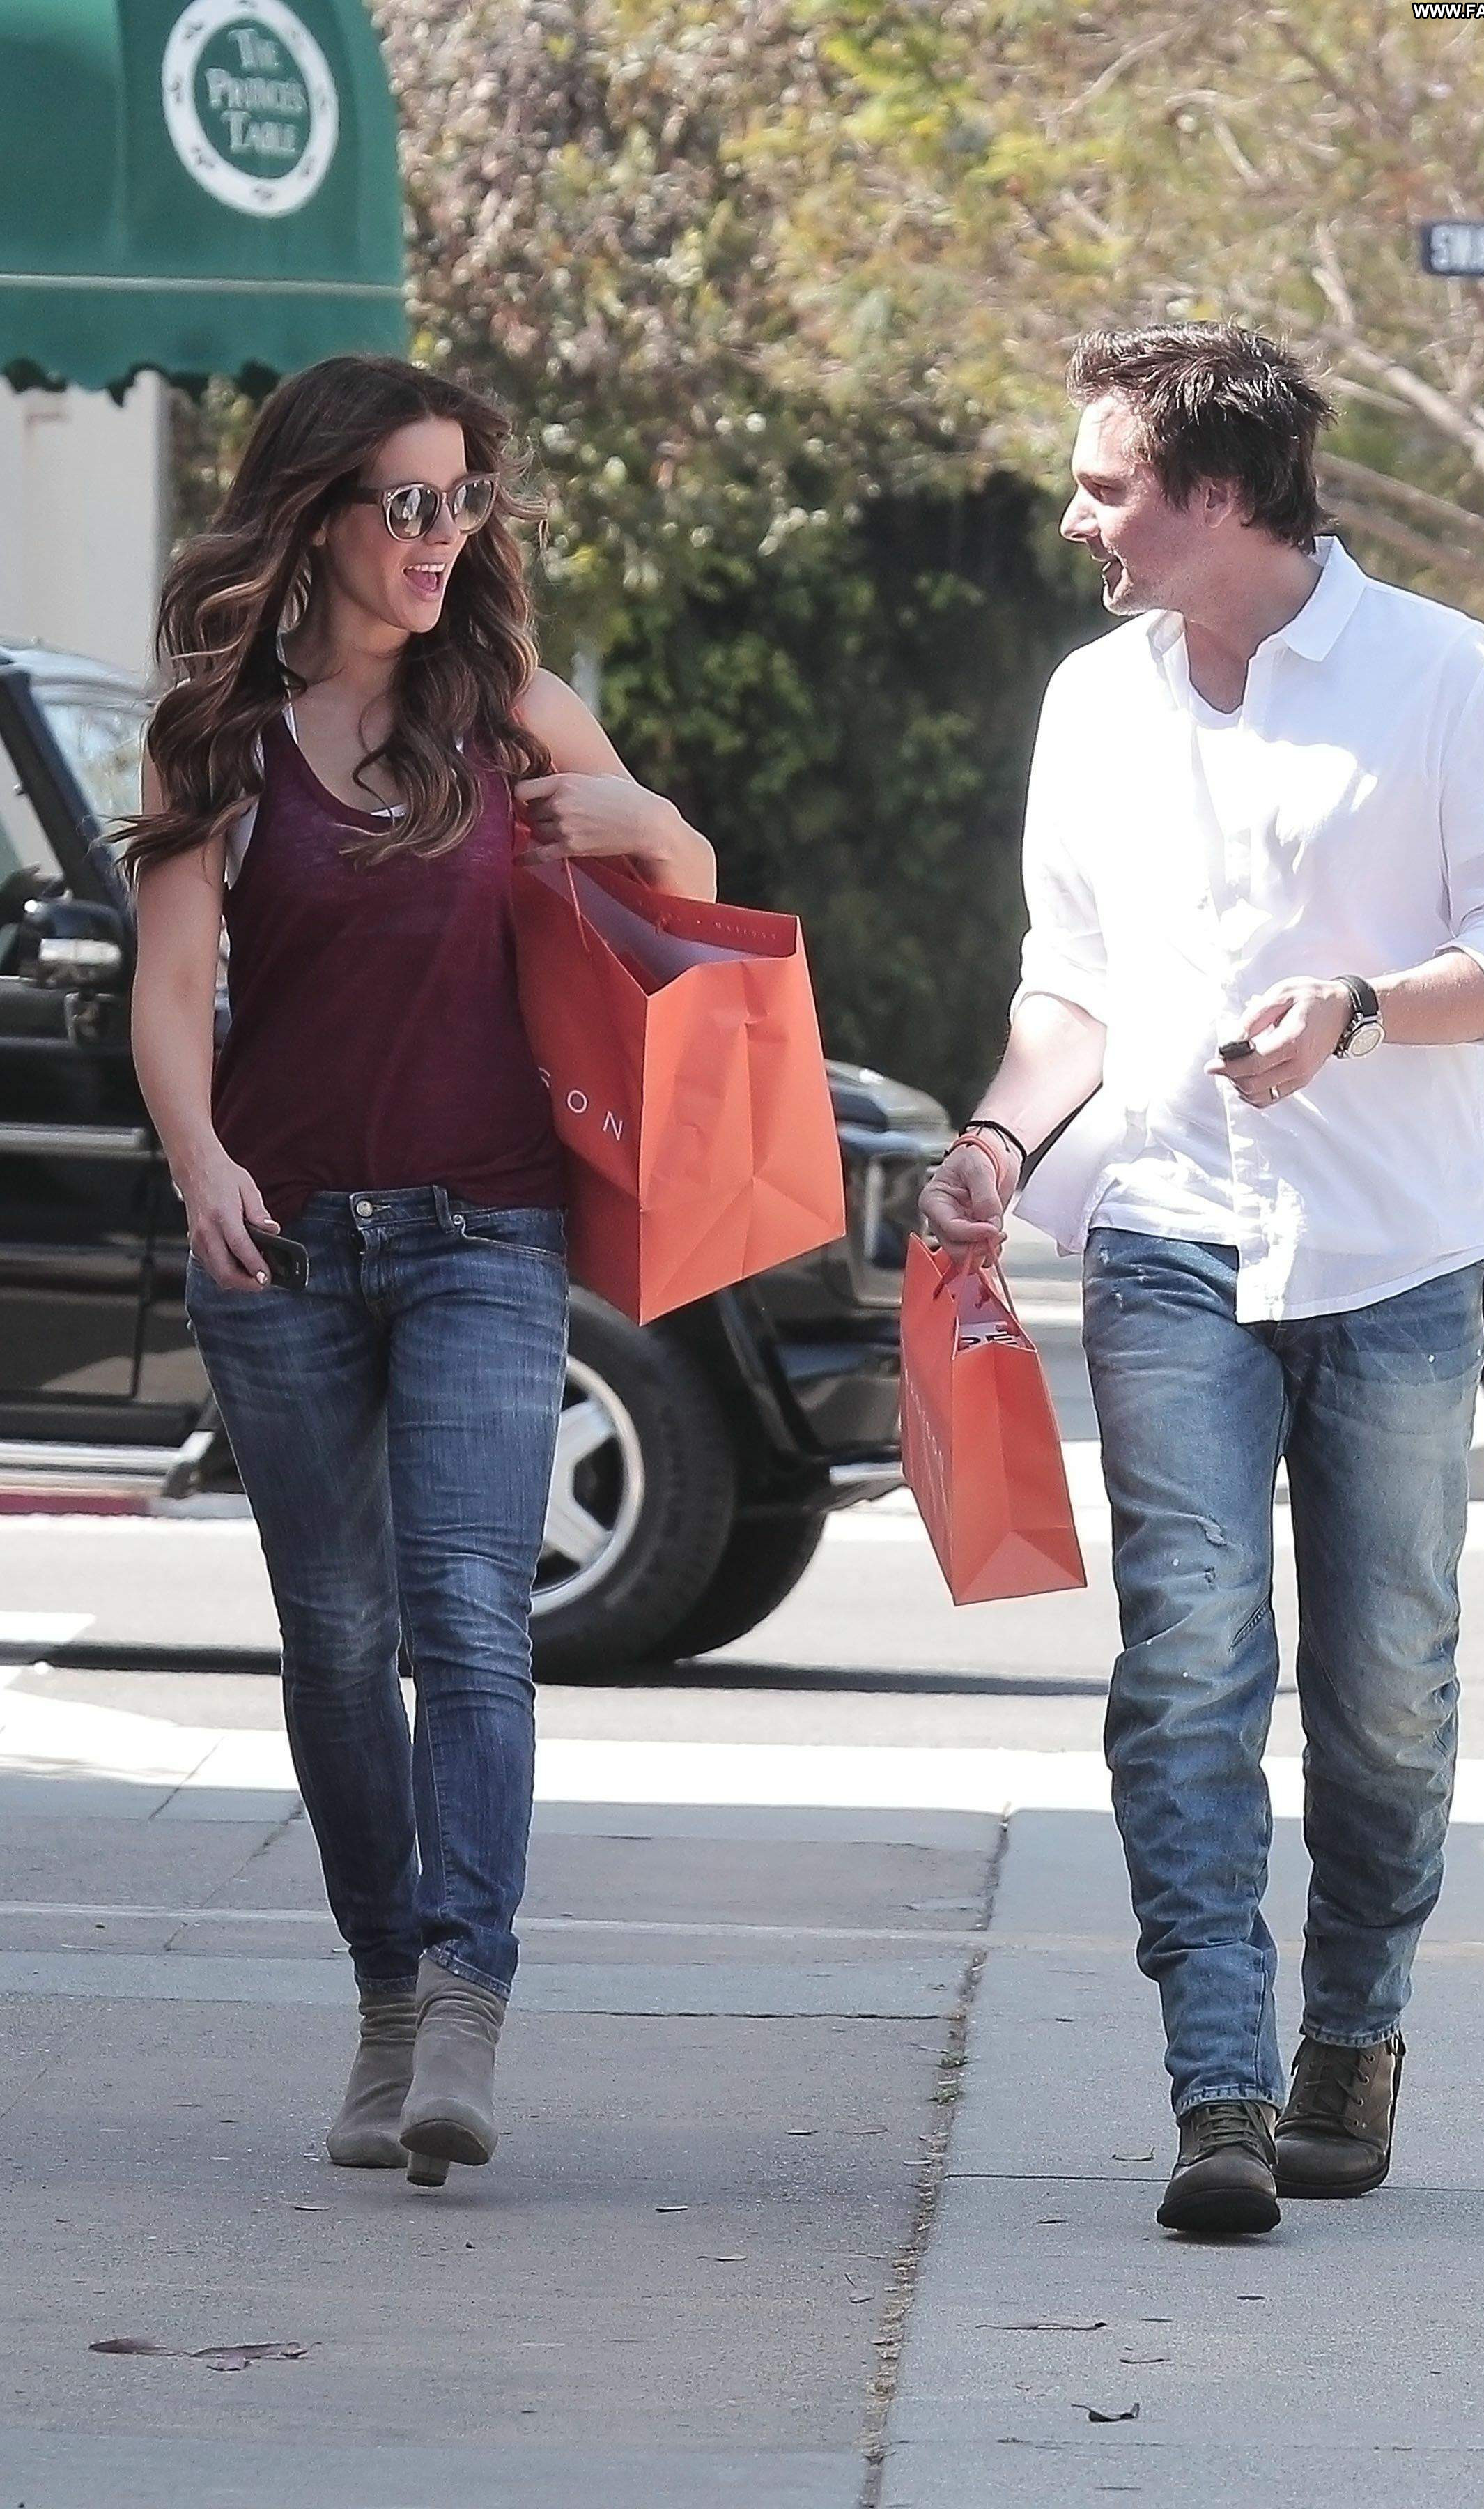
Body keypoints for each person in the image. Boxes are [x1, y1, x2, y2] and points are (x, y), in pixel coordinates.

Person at [920, 322, 1484, 2238]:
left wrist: (1360, 1010)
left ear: (1217, 496)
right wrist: (994, 1146)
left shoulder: (1449, 675)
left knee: (1385, 1690)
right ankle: (1217, 2085)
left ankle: (1350, 2036)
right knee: (1188, 1660)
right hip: (1166, 1235)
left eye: (1106, 486)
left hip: (1397, 1250)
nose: (1077, 518)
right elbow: (1071, 988)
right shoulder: (1092, 702)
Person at [125, 355, 716, 2188]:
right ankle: (387, 1992)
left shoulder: (515, 712)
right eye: (408, 502)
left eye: (464, 500)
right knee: (335, 1634)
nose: (443, 534)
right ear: (316, 516)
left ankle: (466, 1990)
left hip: (487, 1228)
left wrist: (656, 824)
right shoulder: (218, 737)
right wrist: (200, 1162)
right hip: (280, 1240)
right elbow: (170, 981)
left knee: (467, 1610)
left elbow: (682, 919)